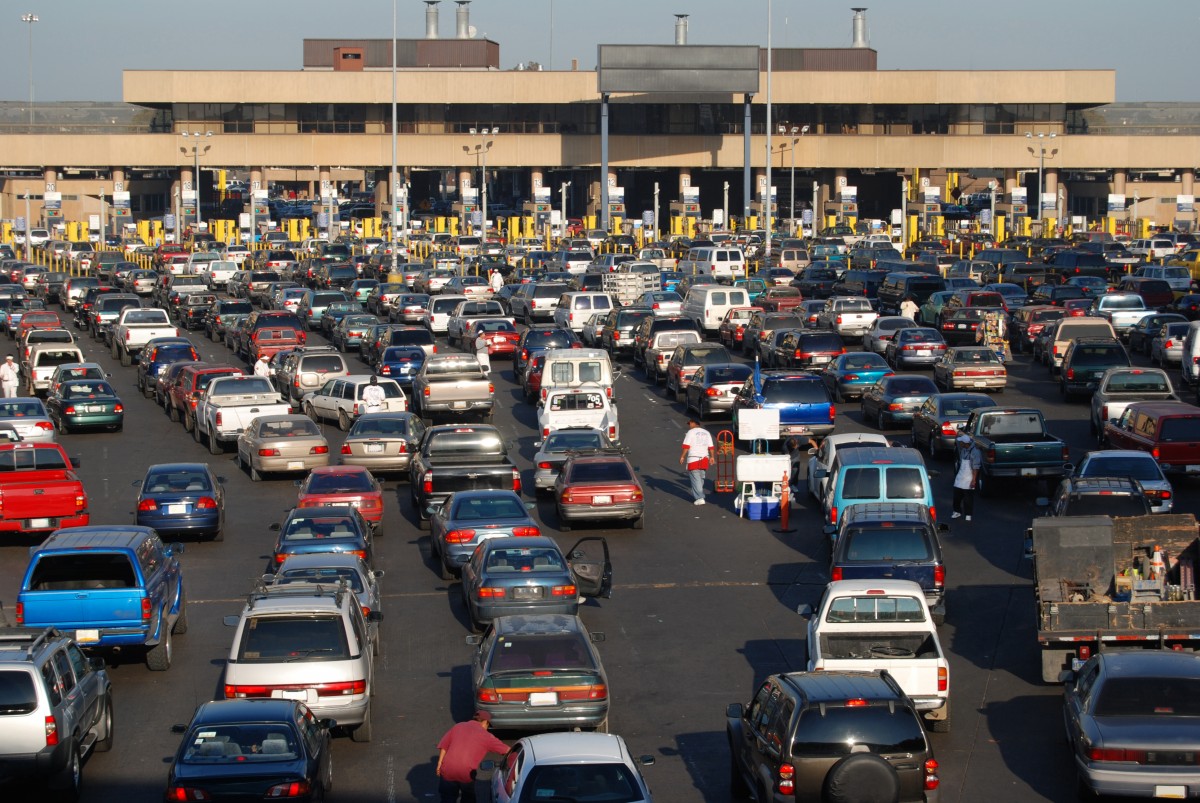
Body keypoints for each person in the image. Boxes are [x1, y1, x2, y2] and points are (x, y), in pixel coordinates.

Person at [435, 711, 508, 803]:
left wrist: (439, 763)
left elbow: (444, 745)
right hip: (465, 773)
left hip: (447, 770)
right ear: (485, 722)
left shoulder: (459, 726)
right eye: (488, 725)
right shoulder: (486, 736)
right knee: (468, 798)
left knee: (447, 799)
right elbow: (507, 750)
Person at [679, 418, 716, 506]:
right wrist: (712, 457)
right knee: (701, 478)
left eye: (689, 424)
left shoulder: (690, 432)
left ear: (693, 423)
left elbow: (686, 446)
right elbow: (711, 447)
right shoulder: (706, 432)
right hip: (704, 459)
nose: (689, 426)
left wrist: (682, 456)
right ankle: (700, 494)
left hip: (693, 459)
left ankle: (700, 497)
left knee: (695, 479)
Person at [952, 433, 982, 521]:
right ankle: (957, 511)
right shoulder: (963, 450)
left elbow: (975, 467)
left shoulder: (975, 452)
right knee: (956, 494)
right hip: (961, 475)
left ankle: (968, 514)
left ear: (966, 443)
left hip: (969, 476)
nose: (960, 443)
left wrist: (974, 480)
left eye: (961, 442)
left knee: (968, 497)